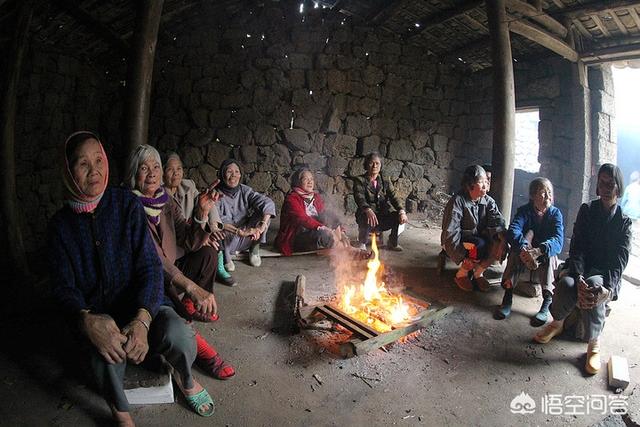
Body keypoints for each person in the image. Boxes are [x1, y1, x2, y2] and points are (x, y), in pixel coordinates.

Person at [48, 132, 215, 425]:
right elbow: (62, 287)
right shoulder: (60, 227)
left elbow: (150, 267)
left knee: (179, 335)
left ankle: (185, 378)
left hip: (143, 304)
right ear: (67, 171)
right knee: (106, 355)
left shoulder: (125, 204)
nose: (94, 170)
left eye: (98, 160)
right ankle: (121, 415)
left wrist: (142, 319)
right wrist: (86, 319)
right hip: (99, 314)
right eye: (82, 164)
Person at [126, 145, 235, 381]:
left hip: (171, 270)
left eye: (156, 167)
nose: (153, 173)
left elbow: (188, 238)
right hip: (148, 279)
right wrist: (192, 287)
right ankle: (192, 332)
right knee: (167, 289)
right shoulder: (130, 207)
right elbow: (155, 261)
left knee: (206, 254)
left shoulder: (165, 201)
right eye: (144, 168)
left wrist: (201, 212)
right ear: (134, 174)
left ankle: (186, 308)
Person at [534, 164, 631, 375]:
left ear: (618, 187)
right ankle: (557, 322)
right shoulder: (587, 211)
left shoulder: (624, 223)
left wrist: (609, 287)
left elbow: (619, 261)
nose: (605, 187)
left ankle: (594, 342)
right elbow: (576, 247)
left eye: (610, 183)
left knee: (596, 288)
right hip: (582, 267)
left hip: (605, 274)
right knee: (566, 284)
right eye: (602, 182)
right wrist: (577, 276)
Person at [494, 178, 564, 326]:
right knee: (515, 251)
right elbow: (514, 230)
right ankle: (507, 298)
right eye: (543, 193)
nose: (548, 196)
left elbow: (558, 240)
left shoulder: (555, 214)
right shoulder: (524, 211)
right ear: (532, 196)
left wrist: (540, 250)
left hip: (542, 258)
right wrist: (525, 246)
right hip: (524, 258)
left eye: (550, 192)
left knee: (551, 256)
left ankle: (546, 304)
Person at [163, 152, 235, 286]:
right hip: (177, 243)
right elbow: (175, 229)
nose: (176, 173)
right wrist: (202, 237)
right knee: (206, 245)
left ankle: (196, 298)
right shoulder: (159, 195)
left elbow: (205, 203)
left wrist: (213, 226)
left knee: (213, 243)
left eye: (179, 168)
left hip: (191, 236)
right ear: (162, 172)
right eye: (170, 169)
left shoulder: (188, 186)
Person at [441, 165, 506, 292]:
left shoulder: (488, 201)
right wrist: (460, 256)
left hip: (477, 240)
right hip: (460, 240)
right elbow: (450, 232)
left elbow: (498, 223)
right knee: (478, 245)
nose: (485, 186)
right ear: (470, 184)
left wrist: (503, 240)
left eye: (486, 182)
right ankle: (462, 274)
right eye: (481, 182)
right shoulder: (458, 201)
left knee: (497, 243)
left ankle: (478, 273)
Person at [215, 159, 276, 269]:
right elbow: (217, 221)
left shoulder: (244, 190)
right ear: (222, 174)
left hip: (249, 237)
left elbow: (267, 202)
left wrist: (262, 225)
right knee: (216, 227)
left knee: (264, 214)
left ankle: (254, 247)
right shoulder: (216, 194)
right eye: (229, 171)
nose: (234, 175)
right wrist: (239, 232)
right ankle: (225, 256)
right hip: (227, 240)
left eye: (237, 172)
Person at [275, 167, 350, 255]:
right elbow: (302, 218)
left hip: (313, 232)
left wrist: (341, 233)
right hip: (297, 237)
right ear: (298, 182)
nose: (310, 182)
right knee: (323, 236)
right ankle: (344, 251)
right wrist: (325, 229)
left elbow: (325, 217)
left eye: (311, 179)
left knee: (329, 215)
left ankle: (342, 245)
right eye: (306, 179)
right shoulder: (291, 199)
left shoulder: (315, 197)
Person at [353, 152, 408, 251]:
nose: (374, 166)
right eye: (371, 163)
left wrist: (401, 211)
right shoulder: (360, 180)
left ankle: (392, 242)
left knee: (397, 216)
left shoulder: (385, 180)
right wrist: (367, 210)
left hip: (382, 216)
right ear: (366, 165)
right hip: (366, 217)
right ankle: (362, 243)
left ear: (381, 165)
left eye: (377, 163)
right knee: (366, 216)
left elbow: (394, 196)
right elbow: (359, 198)